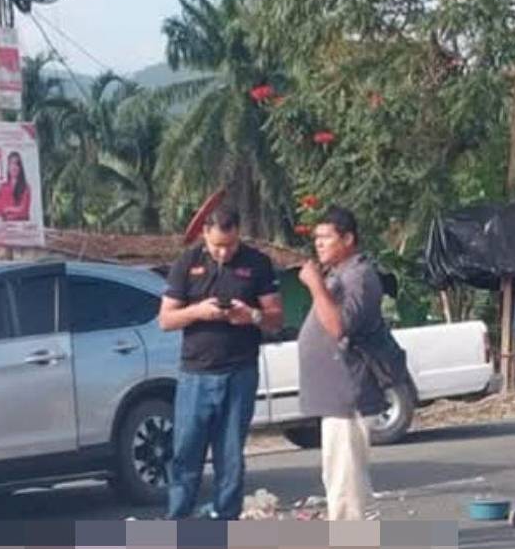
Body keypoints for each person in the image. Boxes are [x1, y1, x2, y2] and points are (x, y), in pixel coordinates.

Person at [159, 204, 283, 519]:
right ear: (204, 235)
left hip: (239, 371)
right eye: (217, 246)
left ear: (238, 234)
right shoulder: (187, 263)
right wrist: (198, 312)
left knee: (230, 456)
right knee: (186, 452)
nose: (224, 253)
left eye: (230, 246)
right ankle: (178, 518)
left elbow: (276, 319)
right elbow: (166, 320)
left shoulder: (257, 263)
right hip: (195, 374)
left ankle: (225, 519)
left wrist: (250, 315)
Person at [297, 206, 387, 521]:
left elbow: (338, 327)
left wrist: (314, 285)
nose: (319, 244)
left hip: (351, 394)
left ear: (348, 239)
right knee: (341, 478)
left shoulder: (360, 276)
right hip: (335, 396)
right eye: (316, 238)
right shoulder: (338, 275)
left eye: (326, 237)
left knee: (345, 483)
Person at [0, 152, 32, 222]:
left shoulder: (25, 187)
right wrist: (14, 209)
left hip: (22, 228)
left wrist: (7, 209)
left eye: (16, 164)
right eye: (11, 164)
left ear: (20, 167)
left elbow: (23, 210)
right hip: (6, 227)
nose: (14, 167)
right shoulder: (3, 187)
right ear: (8, 167)